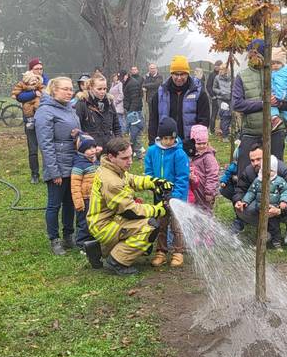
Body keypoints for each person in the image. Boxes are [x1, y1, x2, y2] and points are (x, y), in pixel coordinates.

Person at [85, 137, 169, 275]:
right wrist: (158, 210)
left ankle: (99, 249)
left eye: (130, 156)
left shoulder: (111, 168)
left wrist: (154, 182)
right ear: (111, 157)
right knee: (150, 226)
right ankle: (116, 262)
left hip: (107, 219)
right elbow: (131, 211)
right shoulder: (111, 181)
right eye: (125, 158)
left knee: (140, 225)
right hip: (104, 225)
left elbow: (131, 179)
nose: (130, 161)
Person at [232, 39, 287, 174]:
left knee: (274, 173)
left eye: (257, 54)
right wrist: (263, 104)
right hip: (251, 132)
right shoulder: (242, 76)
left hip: (275, 132)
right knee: (245, 173)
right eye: (251, 55)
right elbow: (237, 104)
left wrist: (278, 103)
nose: (253, 58)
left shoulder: (276, 73)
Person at [35, 77, 80, 256]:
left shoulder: (70, 109)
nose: (69, 92)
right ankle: (54, 239)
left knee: (71, 202)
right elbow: (45, 144)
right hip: (57, 165)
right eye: (65, 89)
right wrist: (54, 171)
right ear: (54, 90)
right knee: (54, 204)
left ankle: (69, 235)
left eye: (71, 89)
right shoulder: (45, 112)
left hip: (73, 163)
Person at [232, 144, 287, 244]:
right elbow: (240, 190)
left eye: (258, 159)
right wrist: (239, 201)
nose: (255, 163)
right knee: (241, 211)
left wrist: (280, 210)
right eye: (252, 160)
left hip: (282, 206)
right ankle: (266, 228)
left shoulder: (284, 171)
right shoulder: (249, 171)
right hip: (262, 205)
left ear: (267, 156)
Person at [144, 117, 190, 267]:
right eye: (165, 138)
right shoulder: (152, 151)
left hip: (176, 197)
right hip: (159, 197)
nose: (169, 141)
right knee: (161, 225)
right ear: (159, 137)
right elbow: (148, 171)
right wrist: (155, 187)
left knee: (177, 226)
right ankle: (161, 252)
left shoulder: (179, 154)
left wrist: (174, 195)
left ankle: (178, 252)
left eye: (172, 138)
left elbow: (182, 178)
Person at [148, 55, 210, 144]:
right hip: (166, 144)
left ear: (188, 74)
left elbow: (204, 121)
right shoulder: (160, 94)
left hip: (190, 145)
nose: (179, 78)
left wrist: (195, 142)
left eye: (182, 74)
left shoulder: (199, 94)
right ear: (171, 74)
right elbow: (153, 121)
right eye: (176, 74)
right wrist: (152, 144)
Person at [239, 155, 287, 250]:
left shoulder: (279, 181)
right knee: (261, 227)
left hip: (272, 210)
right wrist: (245, 201)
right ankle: (259, 243)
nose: (266, 173)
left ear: (275, 171)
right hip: (260, 210)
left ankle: (277, 243)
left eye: (270, 171)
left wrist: (284, 201)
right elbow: (251, 191)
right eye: (264, 170)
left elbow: (286, 191)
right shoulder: (258, 180)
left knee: (274, 227)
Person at [13, 58, 49, 184]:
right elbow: (19, 96)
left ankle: (47, 173)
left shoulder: (46, 80)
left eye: (40, 68)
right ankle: (34, 174)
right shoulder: (25, 80)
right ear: (31, 70)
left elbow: (49, 94)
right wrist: (34, 93)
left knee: (46, 148)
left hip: (45, 119)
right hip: (30, 119)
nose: (39, 71)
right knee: (33, 149)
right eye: (36, 68)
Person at [75, 73, 121, 150]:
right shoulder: (82, 103)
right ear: (91, 88)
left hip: (109, 147)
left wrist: (118, 144)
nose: (102, 92)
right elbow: (77, 129)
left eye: (105, 89)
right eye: (99, 89)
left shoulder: (109, 102)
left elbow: (116, 126)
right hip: (91, 148)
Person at [70, 132, 101, 249]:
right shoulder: (79, 165)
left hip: (96, 197)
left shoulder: (96, 162)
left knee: (95, 220)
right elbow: (75, 186)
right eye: (89, 148)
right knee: (84, 223)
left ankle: (93, 241)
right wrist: (78, 203)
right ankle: (81, 244)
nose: (92, 150)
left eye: (93, 147)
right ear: (82, 150)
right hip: (85, 199)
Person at [189, 125, 219, 214]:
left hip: (205, 191)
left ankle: (207, 226)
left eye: (204, 143)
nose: (202, 146)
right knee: (195, 209)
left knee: (205, 210)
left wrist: (209, 192)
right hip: (195, 189)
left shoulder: (208, 157)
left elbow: (213, 174)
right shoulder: (192, 155)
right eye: (198, 144)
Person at [270, 46, 287, 133]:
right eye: (273, 63)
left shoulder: (280, 74)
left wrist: (278, 98)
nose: (275, 65)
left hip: (280, 95)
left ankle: (275, 118)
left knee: (271, 105)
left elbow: (280, 86)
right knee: (286, 110)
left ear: (282, 63)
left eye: (277, 63)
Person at [122, 69, 145, 159]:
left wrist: (131, 112)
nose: (121, 80)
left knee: (135, 133)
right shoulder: (128, 82)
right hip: (130, 110)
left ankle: (138, 154)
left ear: (126, 75)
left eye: (122, 77)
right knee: (132, 133)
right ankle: (131, 153)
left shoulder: (132, 84)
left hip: (134, 112)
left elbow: (135, 99)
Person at [212, 65, 232, 141]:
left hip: (230, 98)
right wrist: (220, 92)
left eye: (222, 69)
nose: (220, 70)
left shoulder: (231, 77)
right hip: (221, 99)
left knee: (231, 115)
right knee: (225, 116)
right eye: (220, 69)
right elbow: (214, 88)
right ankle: (225, 136)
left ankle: (230, 132)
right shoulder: (217, 78)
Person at [206, 60, 223, 134]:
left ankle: (223, 129)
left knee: (223, 114)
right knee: (214, 114)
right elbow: (208, 86)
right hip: (215, 98)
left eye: (219, 66)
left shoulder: (223, 74)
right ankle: (212, 130)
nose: (217, 68)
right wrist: (212, 96)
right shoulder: (212, 75)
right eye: (216, 66)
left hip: (223, 97)